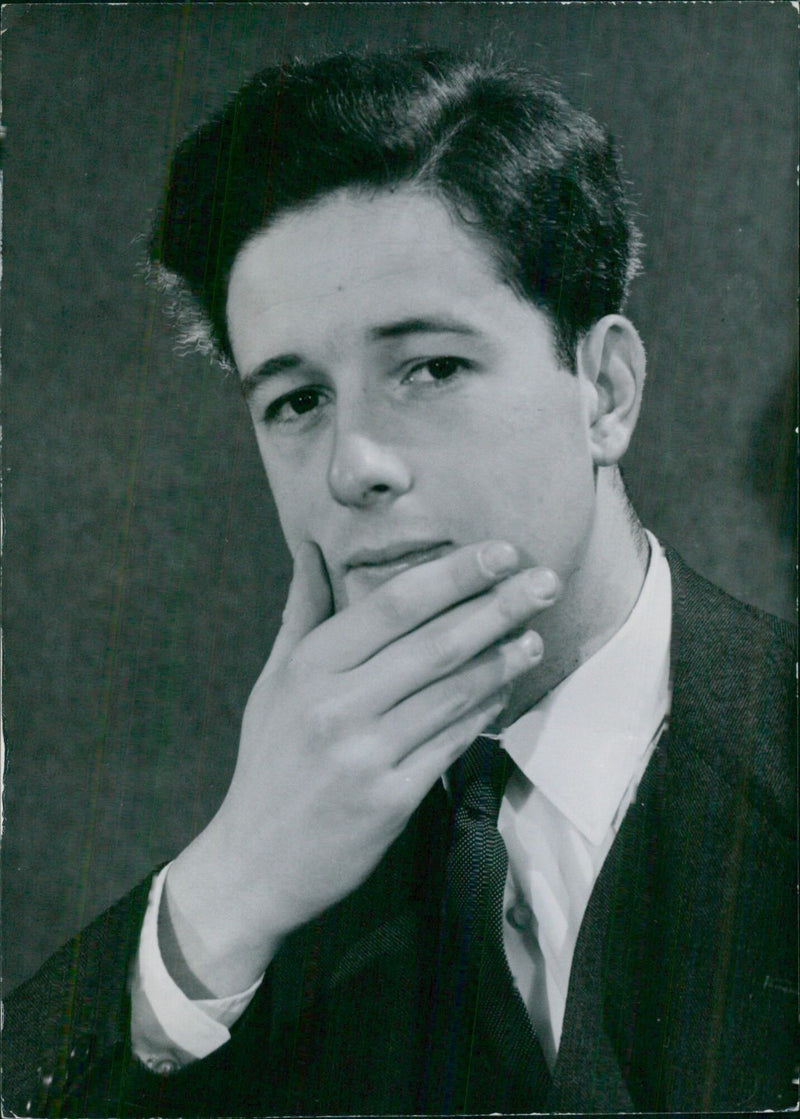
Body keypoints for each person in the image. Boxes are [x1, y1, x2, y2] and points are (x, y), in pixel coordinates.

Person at [4, 49, 796, 1116]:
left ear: (603, 391)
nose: (352, 465)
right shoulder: (268, 868)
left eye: (428, 368)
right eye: (294, 402)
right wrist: (227, 888)